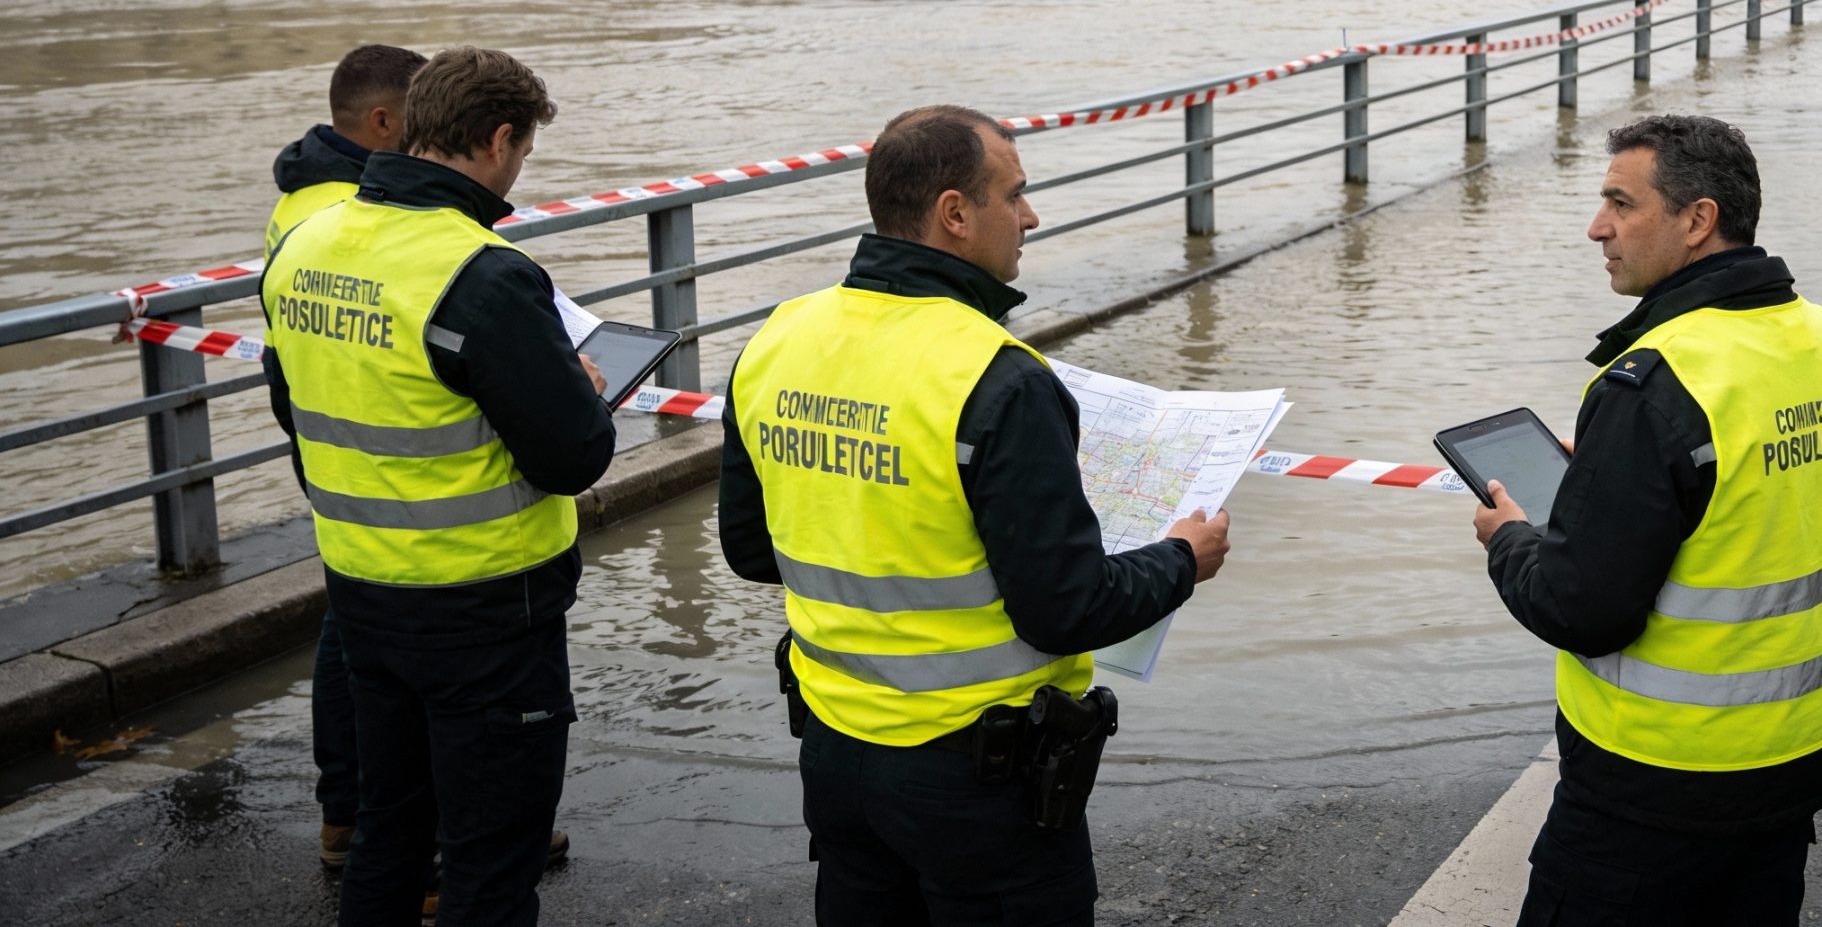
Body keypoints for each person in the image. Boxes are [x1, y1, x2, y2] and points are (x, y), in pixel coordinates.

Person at [717, 104, 1232, 927]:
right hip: (979, 781)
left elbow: (751, 548)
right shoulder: (999, 378)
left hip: (836, 755)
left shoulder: (781, 337)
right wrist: (1180, 558)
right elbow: (1066, 609)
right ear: (955, 213)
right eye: (1015, 194)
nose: (1031, 217)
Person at [1471, 115, 1822, 926]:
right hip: (1791, 764)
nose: (1597, 228)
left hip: (1649, 785)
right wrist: (1618, 479)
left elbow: (1579, 609)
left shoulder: (1655, 384)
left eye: (1621, 203)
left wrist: (1511, 539)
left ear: (1698, 220)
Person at [260, 46, 615, 927]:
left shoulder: (305, 245)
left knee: (390, 831)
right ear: (498, 140)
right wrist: (579, 391)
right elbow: (573, 456)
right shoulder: (482, 273)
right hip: (487, 606)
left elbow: (294, 405)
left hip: (362, 590)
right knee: (493, 861)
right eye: (523, 150)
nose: (519, 167)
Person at [265, 42, 425, 869]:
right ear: (384, 121)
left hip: (335, 428)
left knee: (356, 624)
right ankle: (374, 824)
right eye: (425, 118)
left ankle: (360, 818)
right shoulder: (345, 210)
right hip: (372, 439)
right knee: (370, 639)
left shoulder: (308, 197)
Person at [269, 44, 426, 257]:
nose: (431, 129)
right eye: (421, 117)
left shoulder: (299, 184)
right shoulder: (365, 212)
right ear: (382, 122)